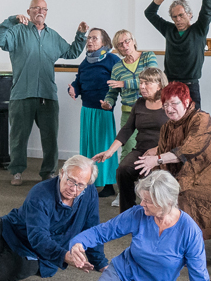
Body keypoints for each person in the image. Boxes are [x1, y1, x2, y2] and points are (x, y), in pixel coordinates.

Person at [14, 171, 211, 281]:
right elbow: (103, 231)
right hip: (120, 275)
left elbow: (199, 278)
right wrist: (78, 243)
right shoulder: (138, 214)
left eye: (147, 202)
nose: (141, 205)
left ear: (165, 203)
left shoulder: (188, 232)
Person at [0, 155, 106, 281]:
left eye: (80, 185)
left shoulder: (89, 193)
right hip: (12, 230)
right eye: (70, 180)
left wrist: (100, 263)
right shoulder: (40, 193)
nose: (73, 188)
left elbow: (92, 228)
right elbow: (38, 236)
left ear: (87, 185)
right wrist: (65, 256)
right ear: (61, 173)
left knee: (12, 270)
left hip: (39, 254)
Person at [137, 81, 211, 239]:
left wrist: (156, 159)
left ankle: (189, 243)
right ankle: (163, 239)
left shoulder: (201, 118)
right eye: (165, 105)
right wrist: (158, 180)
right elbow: (164, 157)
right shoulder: (167, 127)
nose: (169, 109)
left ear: (186, 102)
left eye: (173, 103)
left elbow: (189, 149)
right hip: (189, 174)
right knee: (160, 194)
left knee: (187, 200)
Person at [0, 0, 86, 185]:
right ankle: (16, 172)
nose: (40, 11)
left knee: (50, 138)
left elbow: (72, 53)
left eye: (43, 9)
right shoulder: (17, 32)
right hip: (21, 94)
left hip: (47, 95)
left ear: (46, 12)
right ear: (29, 11)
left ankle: (48, 172)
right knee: (18, 137)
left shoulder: (53, 36)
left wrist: (80, 34)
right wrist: (12, 20)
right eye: (36, 8)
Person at [92, 66, 167, 210]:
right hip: (141, 150)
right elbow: (127, 129)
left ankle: (157, 212)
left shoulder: (168, 104)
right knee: (123, 170)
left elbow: (178, 135)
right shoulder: (139, 104)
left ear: (159, 85)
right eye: (141, 82)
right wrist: (110, 151)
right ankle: (127, 212)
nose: (142, 87)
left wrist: (157, 150)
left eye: (147, 83)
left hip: (163, 151)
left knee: (153, 178)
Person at [144, 0, 211, 108]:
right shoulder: (169, 30)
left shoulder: (198, 30)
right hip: (170, 84)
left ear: (190, 15)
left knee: (194, 124)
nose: (178, 19)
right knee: (170, 121)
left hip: (191, 86)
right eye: (174, 17)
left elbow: (207, 10)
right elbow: (149, 13)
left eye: (181, 15)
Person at [102, 29, 160, 203]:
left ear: (133, 41)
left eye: (127, 41)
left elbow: (153, 78)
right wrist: (108, 102)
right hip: (129, 111)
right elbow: (112, 91)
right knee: (127, 152)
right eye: (120, 44)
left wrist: (124, 83)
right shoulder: (118, 67)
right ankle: (125, 192)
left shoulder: (148, 56)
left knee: (151, 151)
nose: (125, 45)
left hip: (152, 110)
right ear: (117, 49)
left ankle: (152, 192)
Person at [68, 28, 121, 196]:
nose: (89, 41)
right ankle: (89, 181)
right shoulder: (85, 62)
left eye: (94, 38)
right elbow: (79, 82)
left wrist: (110, 103)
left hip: (103, 110)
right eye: (89, 38)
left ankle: (108, 185)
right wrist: (73, 89)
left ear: (104, 42)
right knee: (88, 147)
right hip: (87, 110)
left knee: (104, 147)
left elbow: (119, 83)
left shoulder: (113, 60)